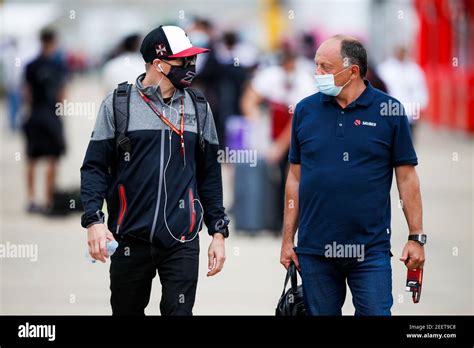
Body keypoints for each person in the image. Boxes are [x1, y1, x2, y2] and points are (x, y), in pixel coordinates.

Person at [80, 25, 230, 316]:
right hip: (129, 238)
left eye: (192, 60)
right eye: (183, 61)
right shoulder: (118, 104)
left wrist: (218, 233)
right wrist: (94, 221)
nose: (190, 67)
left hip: (182, 239)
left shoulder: (199, 107)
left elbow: (210, 174)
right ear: (159, 64)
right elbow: (94, 167)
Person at [280, 35, 425, 316]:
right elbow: (294, 178)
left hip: (369, 250)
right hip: (314, 250)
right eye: (316, 65)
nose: (317, 73)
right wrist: (288, 240)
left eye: (325, 67)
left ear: (353, 71)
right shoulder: (305, 111)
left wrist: (416, 237)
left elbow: (407, 178)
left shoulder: (390, 111)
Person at [22, 28, 67, 213]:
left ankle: (32, 199)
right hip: (51, 114)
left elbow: (27, 93)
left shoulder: (30, 65)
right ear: (54, 41)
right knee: (53, 159)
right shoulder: (58, 66)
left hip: (35, 115)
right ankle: (49, 200)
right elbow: (62, 93)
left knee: (31, 159)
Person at [377, 45, 429, 136]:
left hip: (409, 111)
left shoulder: (414, 69)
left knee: (407, 139)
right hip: (387, 110)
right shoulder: (384, 69)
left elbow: (419, 89)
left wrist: (420, 106)